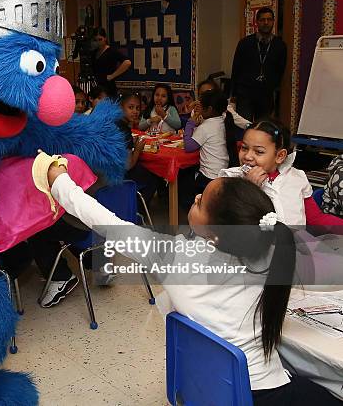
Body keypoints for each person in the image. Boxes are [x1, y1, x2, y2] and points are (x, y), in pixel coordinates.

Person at [43, 160, 343, 406]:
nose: (196, 198)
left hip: (207, 387)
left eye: (201, 202)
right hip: (262, 390)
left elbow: (105, 221)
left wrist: (60, 182)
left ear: (214, 233)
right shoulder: (272, 250)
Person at [219, 119, 312, 226]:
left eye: (259, 152)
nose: (247, 156)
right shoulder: (229, 179)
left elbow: (314, 217)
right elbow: (226, 222)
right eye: (244, 148)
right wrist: (248, 188)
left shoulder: (296, 177)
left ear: (280, 156)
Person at [180, 90, 239, 208]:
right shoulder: (223, 120)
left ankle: (191, 209)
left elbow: (189, 147)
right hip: (223, 173)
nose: (199, 110)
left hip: (208, 177)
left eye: (201, 107)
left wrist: (190, 124)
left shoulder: (206, 126)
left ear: (210, 109)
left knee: (183, 177)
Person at [231, 7, 287, 122]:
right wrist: (233, 94)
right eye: (262, 20)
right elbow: (236, 68)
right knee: (243, 126)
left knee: (262, 127)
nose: (266, 23)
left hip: (265, 95)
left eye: (269, 19)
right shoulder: (245, 43)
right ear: (257, 22)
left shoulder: (280, 45)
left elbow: (281, 69)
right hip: (245, 93)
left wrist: (272, 85)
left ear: (273, 21)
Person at [118, 93, 160, 206]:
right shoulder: (123, 130)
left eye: (137, 108)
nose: (135, 111)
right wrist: (137, 149)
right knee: (154, 174)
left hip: (103, 172)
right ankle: (137, 209)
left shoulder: (115, 123)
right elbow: (128, 165)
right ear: (121, 108)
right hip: (119, 175)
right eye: (130, 107)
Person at [91, 28, 131, 96]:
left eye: (100, 39)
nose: (98, 42)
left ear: (105, 38)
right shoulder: (94, 53)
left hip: (108, 86)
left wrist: (112, 76)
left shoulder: (111, 51)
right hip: (97, 86)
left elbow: (127, 62)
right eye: (96, 40)